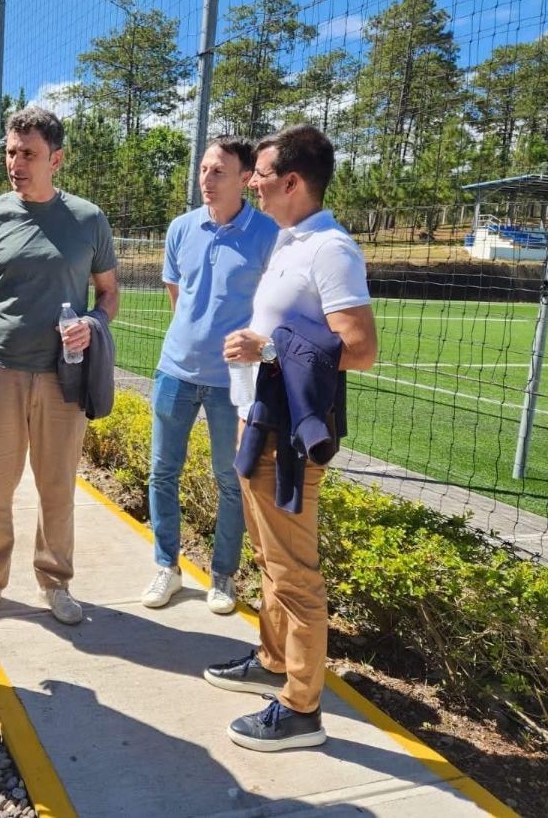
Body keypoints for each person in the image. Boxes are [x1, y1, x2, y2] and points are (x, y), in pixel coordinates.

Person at [205, 125, 377, 752]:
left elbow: (360, 348)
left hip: (289, 439)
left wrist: (268, 345)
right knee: (271, 562)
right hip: (259, 423)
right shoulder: (289, 240)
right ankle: (274, 662)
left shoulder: (330, 249)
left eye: (261, 173)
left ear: (293, 182)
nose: (251, 181)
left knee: (295, 573)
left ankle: (302, 709)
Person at [0, 106, 120, 629]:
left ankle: (55, 582)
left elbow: (108, 293)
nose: (15, 162)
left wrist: (93, 323)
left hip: (64, 375)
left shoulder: (87, 220)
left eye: (27, 153)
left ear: (55, 159)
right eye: (10, 152)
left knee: (57, 487)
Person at [140, 136, 278, 614]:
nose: (206, 179)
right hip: (174, 371)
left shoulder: (268, 234)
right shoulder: (181, 228)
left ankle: (222, 576)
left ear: (245, 178)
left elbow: (276, 306)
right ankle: (167, 568)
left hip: (233, 381)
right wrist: (193, 338)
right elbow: (178, 295)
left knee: (229, 478)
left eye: (218, 171)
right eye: (203, 169)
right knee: (162, 472)